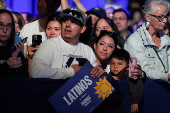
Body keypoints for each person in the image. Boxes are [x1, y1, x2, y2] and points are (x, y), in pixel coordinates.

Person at [30, 7, 104, 79]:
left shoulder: (87, 50)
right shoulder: (49, 45)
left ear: (82, 29)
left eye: (73, 22)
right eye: (65, 21)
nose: (68, 25)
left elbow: (94, 77)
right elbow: (36, 71)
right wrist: (71, 71)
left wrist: (98, 71)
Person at [124, 0, 170, 82]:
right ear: (148, 17)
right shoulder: (135, 40)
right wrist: (168, 76)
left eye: (166, 16)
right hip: (147, 88)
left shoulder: (166, 39)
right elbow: (146, 70)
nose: (165, 20)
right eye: (160, 17)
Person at [0, 9, 28, 78]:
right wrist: (6, 66)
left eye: (9, 25)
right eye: (1, 25)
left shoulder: (16, 50)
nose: (5, 30)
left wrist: (15, 59)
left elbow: (25, 77)